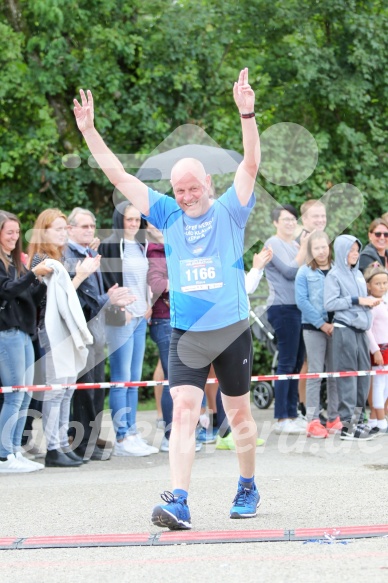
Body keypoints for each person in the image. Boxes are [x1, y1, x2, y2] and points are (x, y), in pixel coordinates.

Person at [73, 67, 261, 529]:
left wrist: (247, 113)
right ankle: (179, 500)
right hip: (185, 332)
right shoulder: (166, 212)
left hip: (231, 328)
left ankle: (247, 485)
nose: (187, 195)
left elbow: (251, 164)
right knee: (183, 411)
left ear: (208, 186)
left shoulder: (229, 212)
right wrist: (90, 132)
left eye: (194, 187)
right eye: (180, 190)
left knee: (238, 416)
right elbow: (118, 177)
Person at [64, 207, 134, 461]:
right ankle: (81, 443)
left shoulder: (91, 253)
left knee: (96, 388)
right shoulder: (68, 254)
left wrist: (114, 299)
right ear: (70, 229)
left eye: (91, 226)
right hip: (79, 331)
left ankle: (90, 440)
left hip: (96, 331)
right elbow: (89, 300)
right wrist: (109, 297)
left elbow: (101, 295)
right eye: (83, 226)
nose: (89, 230)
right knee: (84, 389)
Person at [28, 208, 96, 468]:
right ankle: (53, 448)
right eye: (58, 229)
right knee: (56, 391)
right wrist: (79, 276)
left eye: (65, 228)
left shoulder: (59, 258)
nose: (63, 233)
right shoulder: (39, 262)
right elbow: (51, 300)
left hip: (63, 332)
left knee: (67, 389)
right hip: (49, 332)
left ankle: (61, 443)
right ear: (43, 231)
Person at [98, 201, 157, 457]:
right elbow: (108, 283)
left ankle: (132, 433)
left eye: (137, 220)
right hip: (120, 319)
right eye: (129, 219)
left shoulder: (139, 245)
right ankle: (122, 436)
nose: (133, 224)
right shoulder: (111, 244)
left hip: (140, 318)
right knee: (120, 380)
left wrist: (148, 305)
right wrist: (120, 311)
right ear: (119, 220)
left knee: (134, 380)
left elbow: (142, 280)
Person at [0, 211, 51, 473]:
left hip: (23, 332)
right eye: (9, 232)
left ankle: (14, 450)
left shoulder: (13, 262)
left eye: (17, 232)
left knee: (26, 394)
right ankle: (3, 455)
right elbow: (7, 290)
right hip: (6, 332)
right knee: (14, 394)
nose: (14, 237)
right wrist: (32, 273)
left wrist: (41, 280)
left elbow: (27, 296)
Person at [324, 235, 380, 440]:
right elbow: (330, 304)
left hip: (361, 331)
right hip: (344, 329)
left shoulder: (357, 275)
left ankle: (360, 421)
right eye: (351, 250)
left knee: (363, 376)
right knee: (348, 378)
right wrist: (357, 300)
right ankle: (347, 425)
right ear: (341, 251)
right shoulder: (334, 275)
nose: (355, 254)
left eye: (357, 250)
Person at [264, 204, 309, 434]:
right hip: (282, 307)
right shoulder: (273, 243)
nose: (290, 223)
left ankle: (292, 413)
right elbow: (290, 271)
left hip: (298, 308)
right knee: (286, 361)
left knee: (297, 361)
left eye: (293, 219)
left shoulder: (294, 244)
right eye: (285, 219)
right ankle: (282, 418)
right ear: (275, 222)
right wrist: (304, 247)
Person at [295, 231, 341, 439]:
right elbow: (302, 301)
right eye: (317, 248)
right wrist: (322, 324)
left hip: (338, 327)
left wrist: (335, 323)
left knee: (334, 373)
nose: (321, 252)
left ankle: (333, 417)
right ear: (310, 251)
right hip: (314, 328)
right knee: (315, 372)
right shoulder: (304, 273)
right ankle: (313, 419)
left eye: (324, 247)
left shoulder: (338, 270)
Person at [295, 199, 327, 415]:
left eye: (323, 216)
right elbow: (295, 269)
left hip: (323, 313)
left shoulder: (322, 240)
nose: (320, 220)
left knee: (317, 363)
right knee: (306, 362)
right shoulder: (300, 240)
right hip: (301, 310)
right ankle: (304, 407)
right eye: (315, 216)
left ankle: (317, 406)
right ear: (304, 219)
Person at [364, 263, 388, 435]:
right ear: (369, 286)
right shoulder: (371, 304)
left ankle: (373, 419)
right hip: (379, 350)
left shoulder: (384, 302)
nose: (382, 286)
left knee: (386, 386)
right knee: (379, 385)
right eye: (378, 283)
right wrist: (375, 351)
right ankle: (381, 421)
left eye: (385, 283)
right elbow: (368, 329)